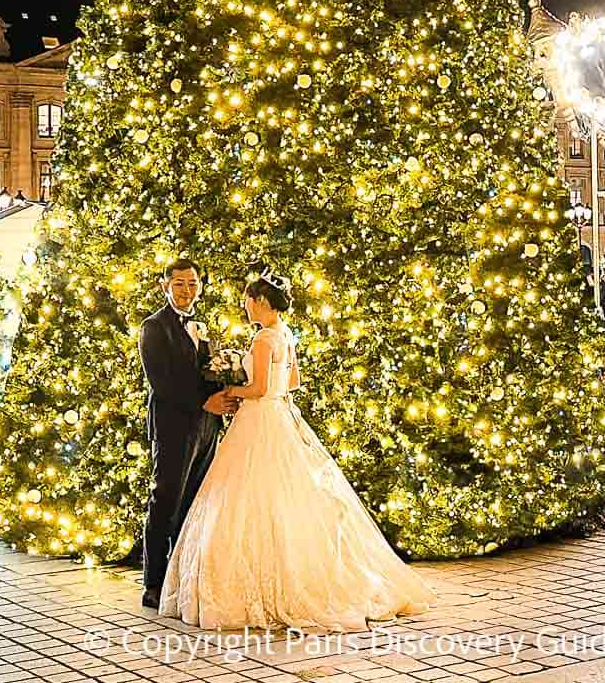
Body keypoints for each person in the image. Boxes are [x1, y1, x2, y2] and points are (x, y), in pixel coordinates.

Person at [160, 270, 433, 630]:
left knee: (244, 497)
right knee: (288, 494)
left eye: (247, 300)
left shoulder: (262, 339)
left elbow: (257, 389)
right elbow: (293, 381)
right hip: (281, 417)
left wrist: (231, 390)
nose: (245, 307)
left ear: (259, 302)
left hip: (258, 421)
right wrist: (263, 390)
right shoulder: (285, 334)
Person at [138, 258, 238, 609]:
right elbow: (162, 383)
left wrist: (228, 392)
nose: (186, 290)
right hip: (174, 426)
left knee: (194, 504)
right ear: (165, 286)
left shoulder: (203, 325)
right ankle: (153, 583)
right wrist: (204, 403)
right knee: (165, 501)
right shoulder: (154, 328)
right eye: (179, 283)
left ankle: (181, 579)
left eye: (193, 283)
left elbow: (207, 371)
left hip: (207, 428)